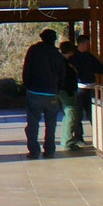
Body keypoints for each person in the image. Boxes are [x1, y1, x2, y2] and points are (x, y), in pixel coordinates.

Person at [21, 29, 63, 159]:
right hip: (51, 93)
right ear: (54, 39)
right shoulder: (57, 54)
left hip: (34, 92)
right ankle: (49, 150)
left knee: (33, 123)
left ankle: (34, 151)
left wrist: (27, 86)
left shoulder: (33, 50)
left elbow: (26, 69)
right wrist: (57, 89)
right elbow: (62, 74)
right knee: (51, 124)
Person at [70, 33, 103, 145]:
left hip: (90, 87)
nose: (88, 46)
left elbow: (100, 68)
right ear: (80, 44)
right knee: (78, 115)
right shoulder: (73, 57)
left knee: (93, 113)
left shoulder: (89, 56)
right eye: (86, 43)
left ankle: (98, 136)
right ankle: (78, 138)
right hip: (79, 88)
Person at [58, 41, 82, 151]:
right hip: (67, 91)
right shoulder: (63, 63)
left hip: (67, 90)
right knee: (71, 114)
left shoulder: (65, 61)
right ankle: (67, 141)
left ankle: (67, 139)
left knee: (69, 115)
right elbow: (65, 78)